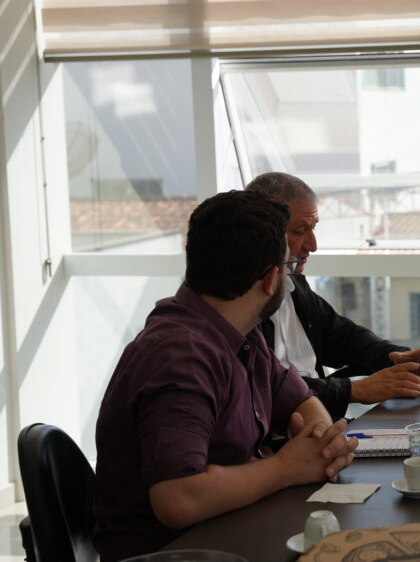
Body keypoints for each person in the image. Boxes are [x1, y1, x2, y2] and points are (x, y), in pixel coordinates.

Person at [93, 191, 358, 561]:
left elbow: (302, 400)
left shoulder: (238, 332)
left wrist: (321, 449)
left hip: (231, 532)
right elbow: (178, 498)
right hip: (175, 553)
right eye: (286, 266)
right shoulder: (180, 357)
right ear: (271, 279)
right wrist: (286, 468)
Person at [245, 173, 420, 419]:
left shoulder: (295, 286)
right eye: (299, 231)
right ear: (265, 232)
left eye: (313, 228)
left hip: (321, 422)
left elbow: (343, 336)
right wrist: (354, 390)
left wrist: (396, 359)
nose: (313, 245)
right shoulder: (241, 307)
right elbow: (268, 388)